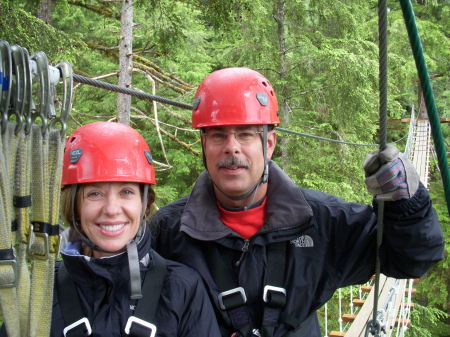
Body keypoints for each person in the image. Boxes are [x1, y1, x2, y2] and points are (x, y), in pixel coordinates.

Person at [150, 67, 444, 337]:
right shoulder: (170, 231)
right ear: (204, 146)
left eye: (245, 134)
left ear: (269, 144)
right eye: (217, 136)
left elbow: (410, 259)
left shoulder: (320, 221)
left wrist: (405, 204)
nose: (231, 147)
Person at [50, 122, 221, 337]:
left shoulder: (181, 289)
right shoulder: (44, 291)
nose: (112, 209)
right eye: (94, 194)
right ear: (74, 206)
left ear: (145, 204)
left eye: (126, 192)